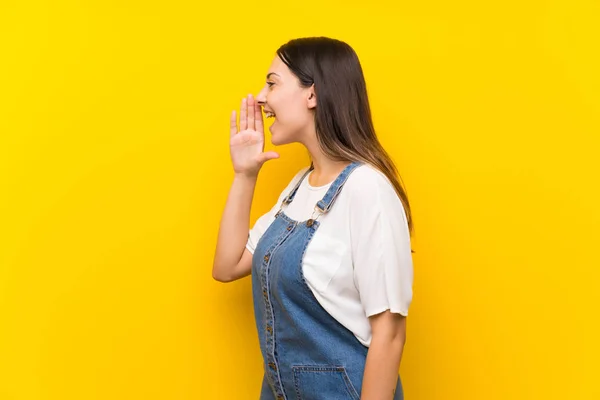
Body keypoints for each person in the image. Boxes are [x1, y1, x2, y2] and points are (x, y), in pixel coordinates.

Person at [213, 36, 414, 400]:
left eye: (272, 83)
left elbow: (390, 332)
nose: (261, 97)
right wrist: (244, 175)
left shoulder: (367, 189)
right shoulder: (298, 188)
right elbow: (227, 266)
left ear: (312, 94)